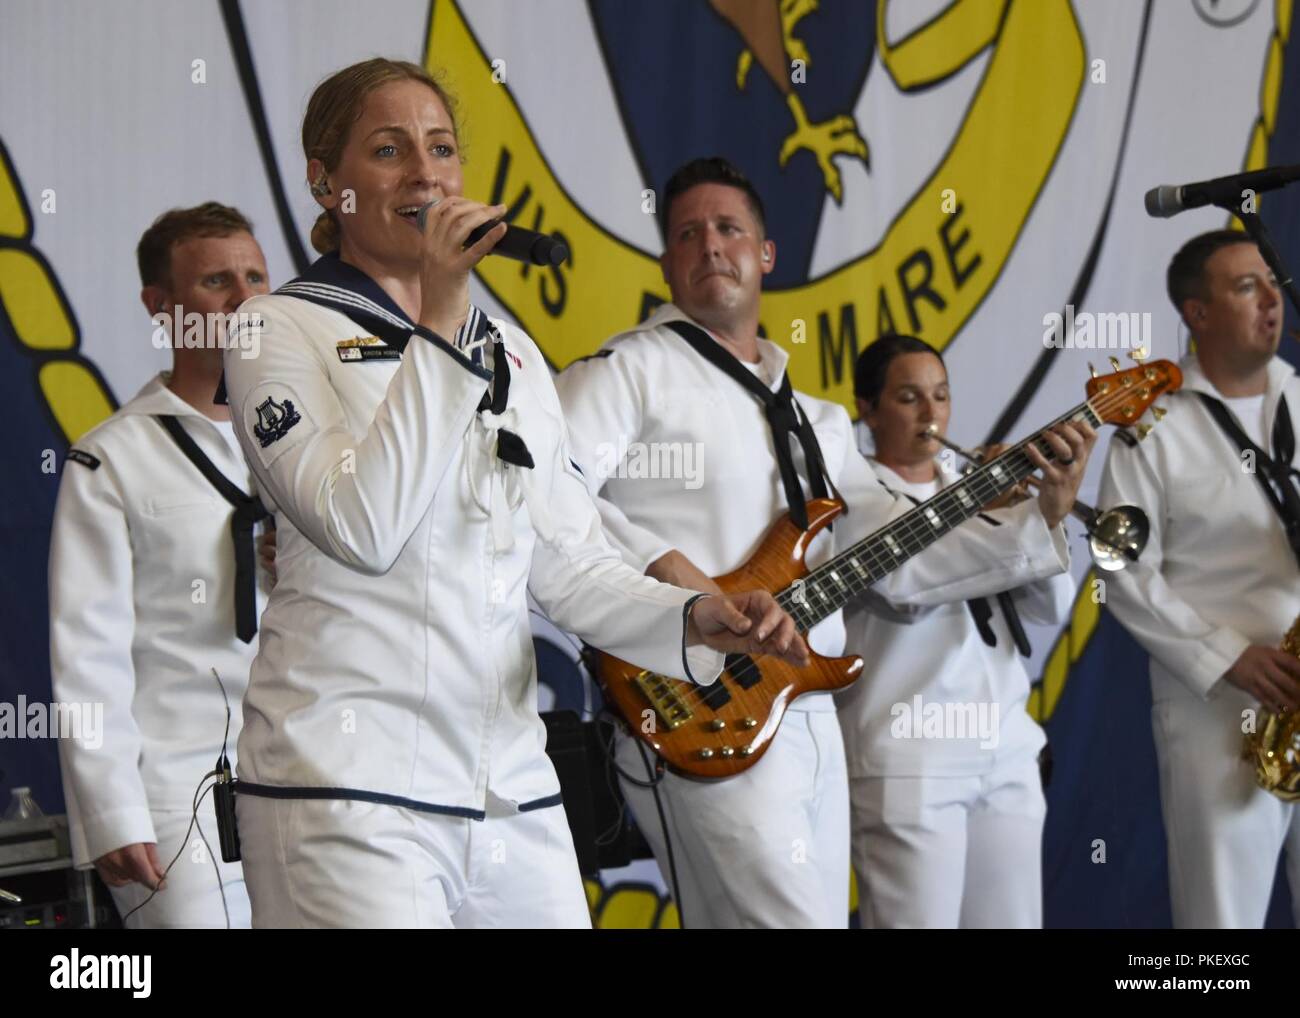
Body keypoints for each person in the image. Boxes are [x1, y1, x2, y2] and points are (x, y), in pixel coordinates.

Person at [221, 59, 805, 930]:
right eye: (388, 150)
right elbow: (362, 524)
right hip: (343, 787)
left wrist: (690, 616)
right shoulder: (276, 327)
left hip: (510, 785)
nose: (425, 173)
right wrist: (446, 316)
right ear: (325, 180)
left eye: (441, 148)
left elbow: (566, 561)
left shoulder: (517, 354)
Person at [555, 157, 1095, 928]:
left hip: (807, 707)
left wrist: (1043, 511)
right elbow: (541, 483)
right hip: (693, 698)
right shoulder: (631, 369)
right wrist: (668, 574)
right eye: (687, 233)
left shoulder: (820, 418)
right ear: (668, 263)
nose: (710, 244)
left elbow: (904, 560)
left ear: (766, 255)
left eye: (729, 228)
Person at [50, 202, 272, 928]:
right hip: (182, 793)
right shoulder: (110, 459)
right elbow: (88, 652)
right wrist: (110, 810)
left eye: (256, 276)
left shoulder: (309, 442)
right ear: (161, 306)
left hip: (320, 776)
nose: (244, 298)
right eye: (216, 281)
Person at [836, 334, 1075, 928]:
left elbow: (1051, 605)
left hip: (1006, 750)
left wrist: (1032, 510)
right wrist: (1008, 517)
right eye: (909, 397)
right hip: (909, 757)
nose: (931, 414)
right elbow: (909, 583)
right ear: (867, 408)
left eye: (941, 396)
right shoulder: (851, 495)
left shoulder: (976, 487)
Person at [1099, 229, 1300, 927]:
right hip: (1219, 710)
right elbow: (1119, 568)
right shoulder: (1149, 425)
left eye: (1273, 283)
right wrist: (1226, 656)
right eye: (1247, 286)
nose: (1272, 300)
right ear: (1198, 313)